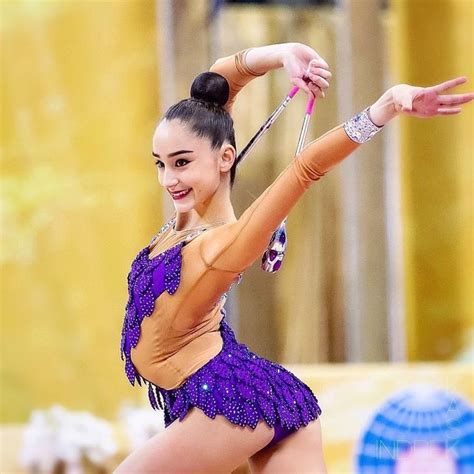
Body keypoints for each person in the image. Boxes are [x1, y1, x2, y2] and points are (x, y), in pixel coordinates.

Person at [115, 43, 473, 473]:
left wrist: (385, 107)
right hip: (255, 393)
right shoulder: (185, 216)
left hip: (231, 401)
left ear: (225, 158)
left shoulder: (224, 245)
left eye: (182, 162)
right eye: (160, 164)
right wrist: (284, 54)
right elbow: (217, 79)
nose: (169, 179)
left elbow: (307, 167)